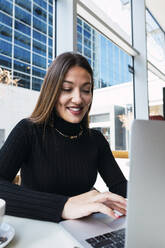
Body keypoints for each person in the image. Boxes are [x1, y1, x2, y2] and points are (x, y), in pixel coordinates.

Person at [0, 52, 127, 223]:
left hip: (86, 230)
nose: (78, 99)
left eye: (86, 90)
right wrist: (63, 206)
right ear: (51, 92)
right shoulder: (28, 130)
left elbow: (120, 187)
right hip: (40, 231)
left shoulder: (95, 139)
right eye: (67, 89)